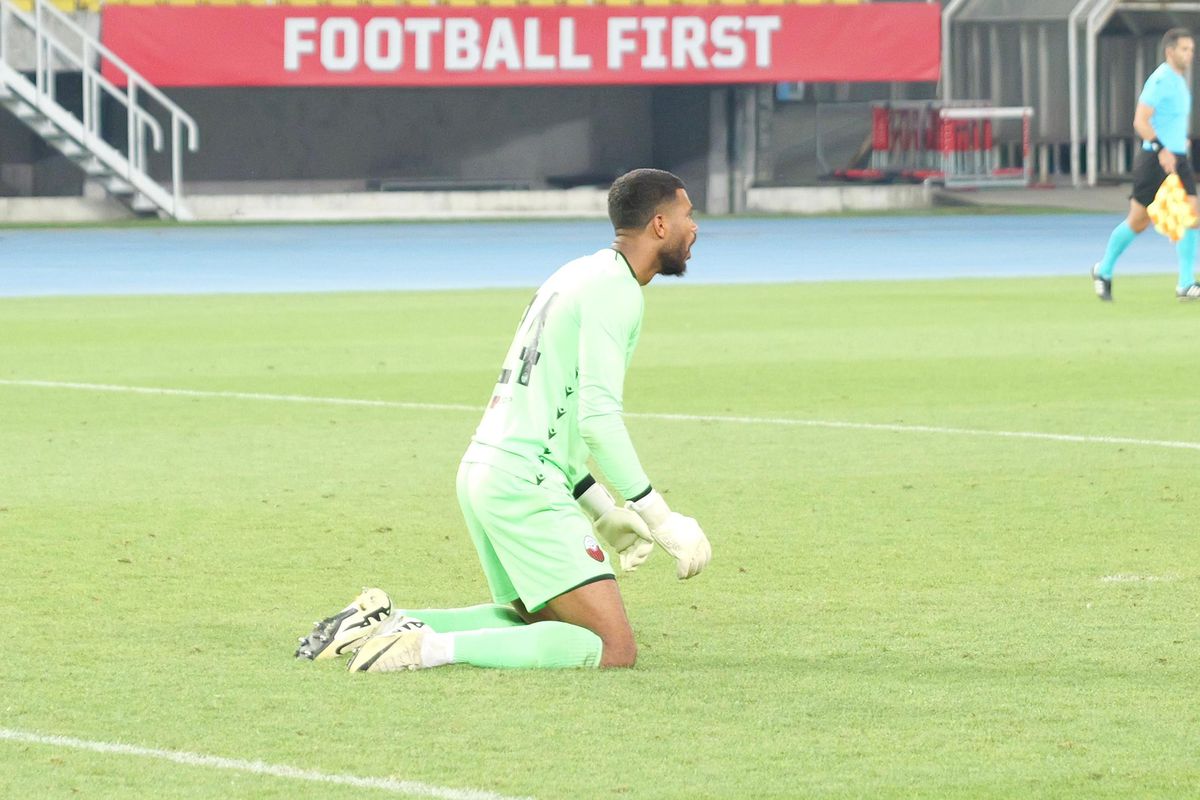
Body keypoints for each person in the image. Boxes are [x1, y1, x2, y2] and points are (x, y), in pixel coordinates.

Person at [295, 168, 712, 672]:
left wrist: (602, 510)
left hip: (485, 470)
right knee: (612, 649)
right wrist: (661, 519)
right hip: (523, 484)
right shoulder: (616, 291)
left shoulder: (575, 275)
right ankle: (423, 649)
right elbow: (597, 420)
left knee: (540, 624)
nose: (695, 227)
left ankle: (384, 622)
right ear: (660, 225)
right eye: (688, 215)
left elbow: (551, 414)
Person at [1092, 27, 1200, 302]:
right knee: (1139, 221)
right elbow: (1141, 121)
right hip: (1155, 159)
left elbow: (1170, 120)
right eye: (1184, 49)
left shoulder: (1179, 81)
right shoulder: (1160, 80)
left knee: (1192, 214)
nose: (1190, 54)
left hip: (1178, 158)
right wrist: (1162, 148)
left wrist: (1180, 142)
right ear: (1170, 51)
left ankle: (1186, 284)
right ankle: (1103, 270)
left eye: (1191, 49)